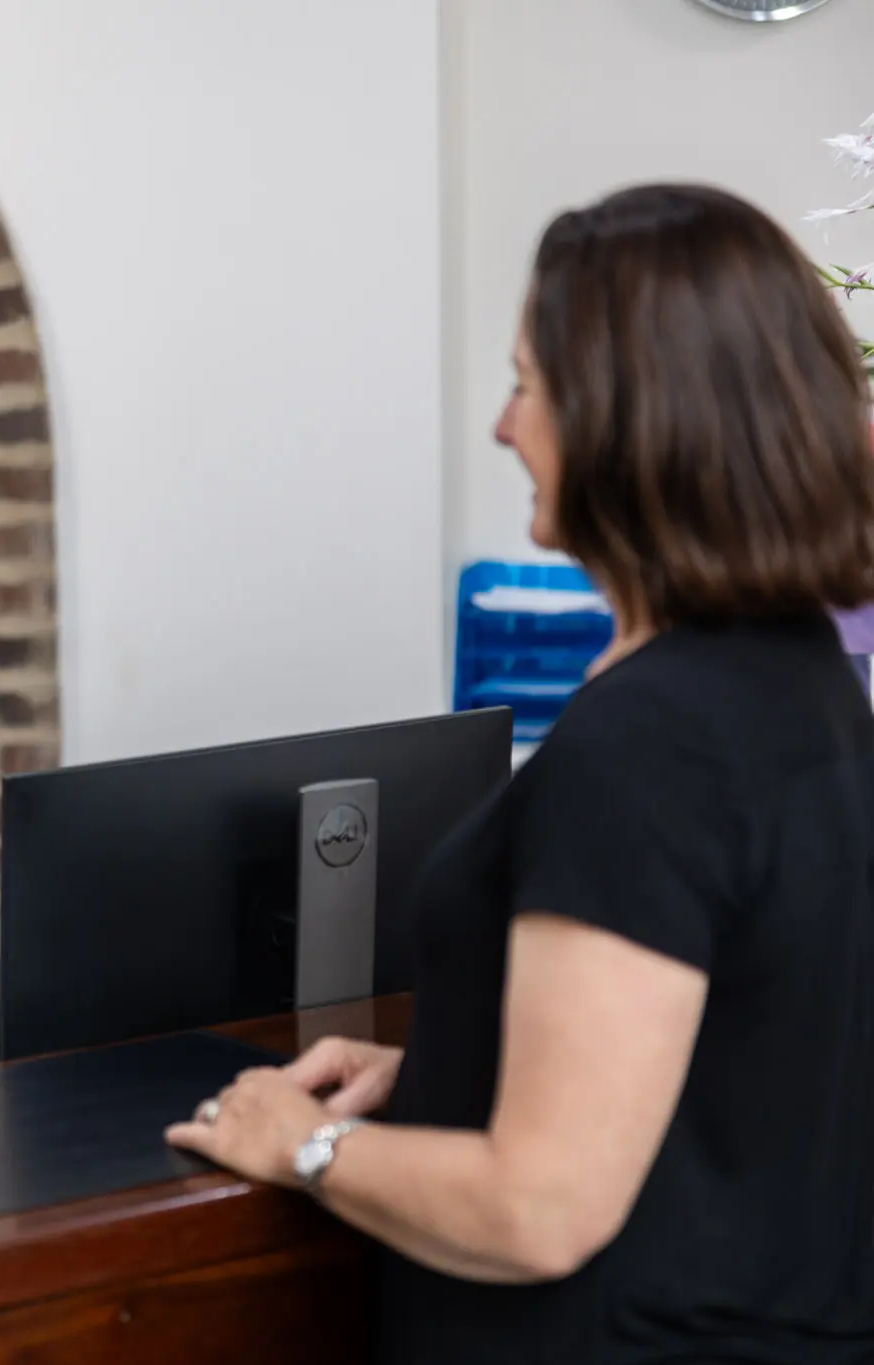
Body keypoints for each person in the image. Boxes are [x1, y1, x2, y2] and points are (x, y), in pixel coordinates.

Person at [168, 183, 874, 1362]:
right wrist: (451, 1067)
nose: (504, 428)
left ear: (623, 421)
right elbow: (750, 1047)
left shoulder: (648, 743)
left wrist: (295, 1140)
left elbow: (538, 1211)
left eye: (525, 385)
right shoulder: (800, 685)